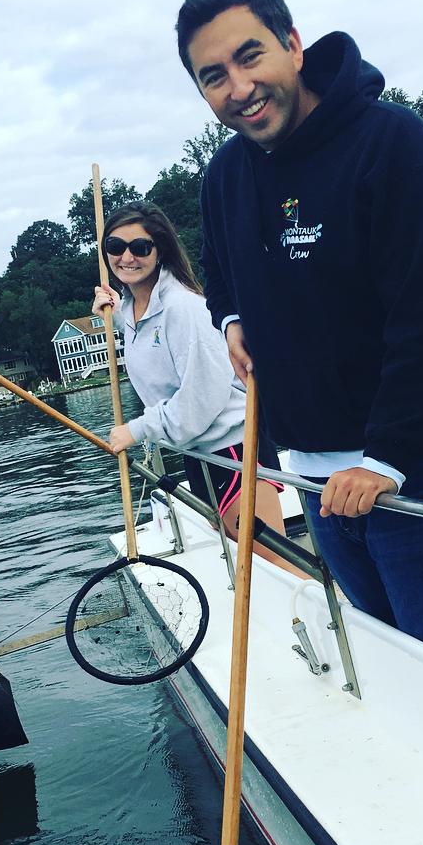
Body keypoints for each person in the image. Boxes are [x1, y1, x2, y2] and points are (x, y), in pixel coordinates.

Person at [174, 0, 423, 670]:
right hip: (316, 477)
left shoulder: (393, 143)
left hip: (411, 466)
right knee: (386, 661)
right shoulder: (223, 175)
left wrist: (383, 460)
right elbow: (219, 268)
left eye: (250, 56)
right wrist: (230, 319)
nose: (238, 86)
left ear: (293, 46)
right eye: (213, 77)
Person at [92, 201, 297, 571]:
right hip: (199, 454)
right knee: (247, 566)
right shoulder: (130, 313)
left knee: (274, 566)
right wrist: (110, 310)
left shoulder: (185, 308)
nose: (126, 257)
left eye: (140, 248)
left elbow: (202, 397)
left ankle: (337, 627)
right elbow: (150, 348)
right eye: (115, 247)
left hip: (235, 450)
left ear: (161, 250)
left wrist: (136, 431)